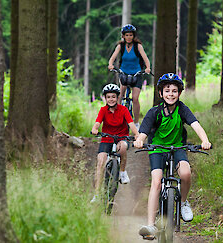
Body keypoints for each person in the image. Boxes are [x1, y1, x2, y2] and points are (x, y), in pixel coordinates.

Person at [134, 73, 211, 239]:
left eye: (174, 91)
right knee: (156, 181)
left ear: (179, 93)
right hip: (157, 148)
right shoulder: (155, 111)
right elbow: (144, 131)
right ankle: (150, 224)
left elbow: (196, 125)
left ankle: (182, 202)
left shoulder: (182, 109)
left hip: (177, 147)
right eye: (167, 90)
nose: (171, 94)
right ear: (161, 93)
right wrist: (140, 141)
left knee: (186, 173)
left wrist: (205, 140)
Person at [90, 84, 139, 203]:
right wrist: (95, 129)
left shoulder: (123, 109)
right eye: (108, 97)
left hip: (122, 137)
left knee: (122, 148)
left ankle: (122, 172)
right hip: (107, 138)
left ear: (118, 98)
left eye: (113, 97)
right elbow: (97, 123)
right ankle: (96, 194)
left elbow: (131, 124)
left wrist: (137, 135)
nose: (111, 99)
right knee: (100, 161)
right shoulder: (103, 110)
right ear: (105, 99)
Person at [108, 24, 151, 129]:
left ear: (134, 36)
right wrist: (110, 64)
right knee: (120, 96)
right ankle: (117, 119)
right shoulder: (120, 46)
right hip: (124, 74)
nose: (129, 37)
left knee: (135, 99)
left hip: (136, 75)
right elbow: (112, 57)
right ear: (123, 36)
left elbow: (145, 58)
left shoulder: (138, 46)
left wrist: (148, 68)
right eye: (126, 35)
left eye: (131, 35)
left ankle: (136, 123)